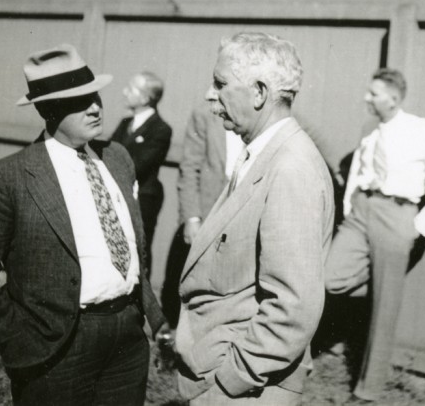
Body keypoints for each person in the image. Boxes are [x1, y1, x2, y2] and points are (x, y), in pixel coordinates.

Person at [0, 44, 165, 406]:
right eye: (80, 100)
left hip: (127, 339)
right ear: (48, 109)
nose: (96, 106)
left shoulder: (117, 156)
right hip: (55, 346)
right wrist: (18, 334)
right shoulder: (8, 178)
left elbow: (133, 241)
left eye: (95, 94)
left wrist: (146, 312)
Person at [175, 32, 334, 405]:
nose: (209, 95)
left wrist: (230, 380)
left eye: (220, 84)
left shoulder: (290, 167)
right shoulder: (263, 153)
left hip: (246, 389)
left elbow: (293, 306)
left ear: (260, 93)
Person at [324, 68, 425, 402]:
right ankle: (386, 278)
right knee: (329, 278)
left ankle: (366, 393)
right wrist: (349, 208)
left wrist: (416, 227)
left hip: (397, 215)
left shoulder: (421, 130)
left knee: (384, 309)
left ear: (394, 98)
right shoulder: (369, 127)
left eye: (373, 93)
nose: (366, 98)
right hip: (361, 213)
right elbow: (357, 170)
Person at [160, 102, 243, 329]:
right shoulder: (205, 116)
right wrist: (192, 218)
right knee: (181, 283)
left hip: (236, 219)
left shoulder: (258, 118)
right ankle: (174, 336)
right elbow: (189, 167)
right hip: (204, 214)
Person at [111, 71, 172, 276]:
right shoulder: (124, 124)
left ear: (146, 98)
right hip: (118, 193)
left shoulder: (161, 129)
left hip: (143, 199)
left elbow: (138, 165)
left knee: (139, 248)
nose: (124, 92)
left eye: (131, 89)